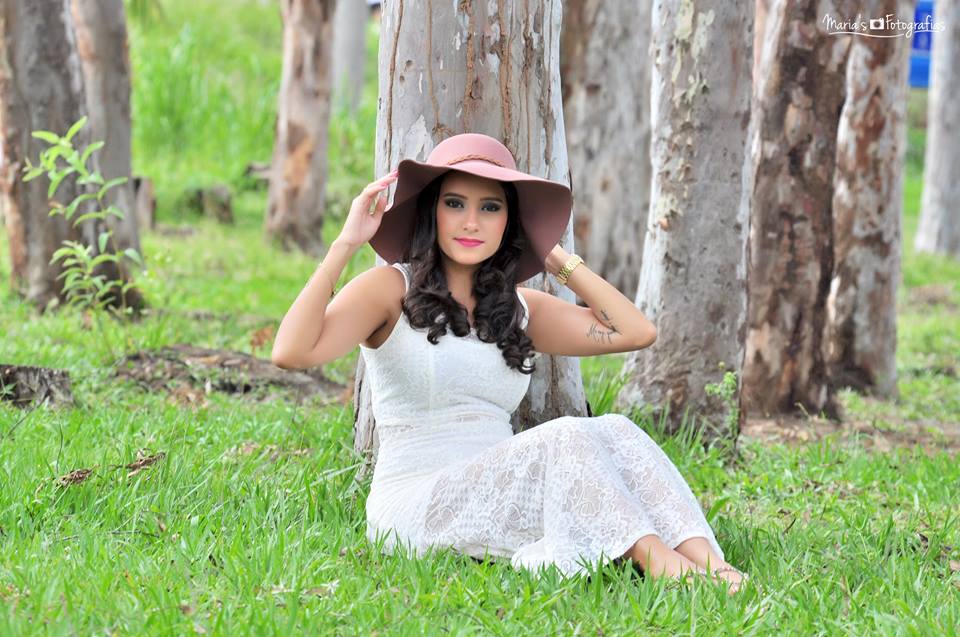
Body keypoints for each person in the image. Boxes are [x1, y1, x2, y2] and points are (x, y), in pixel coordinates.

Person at [271, 133, 749, 593]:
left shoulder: (517, 308)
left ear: (508, 222)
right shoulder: (389, 290)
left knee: (617, 429)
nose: (471, 222)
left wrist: (556, 258)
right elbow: (290, 352)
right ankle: (665, 566)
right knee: (565, 435)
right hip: (416, 502)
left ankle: (714, 565)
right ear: (432, 211)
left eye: (491, 207)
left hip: (500, 493)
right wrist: (345, 243)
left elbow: (635, 331)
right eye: (454, 203)